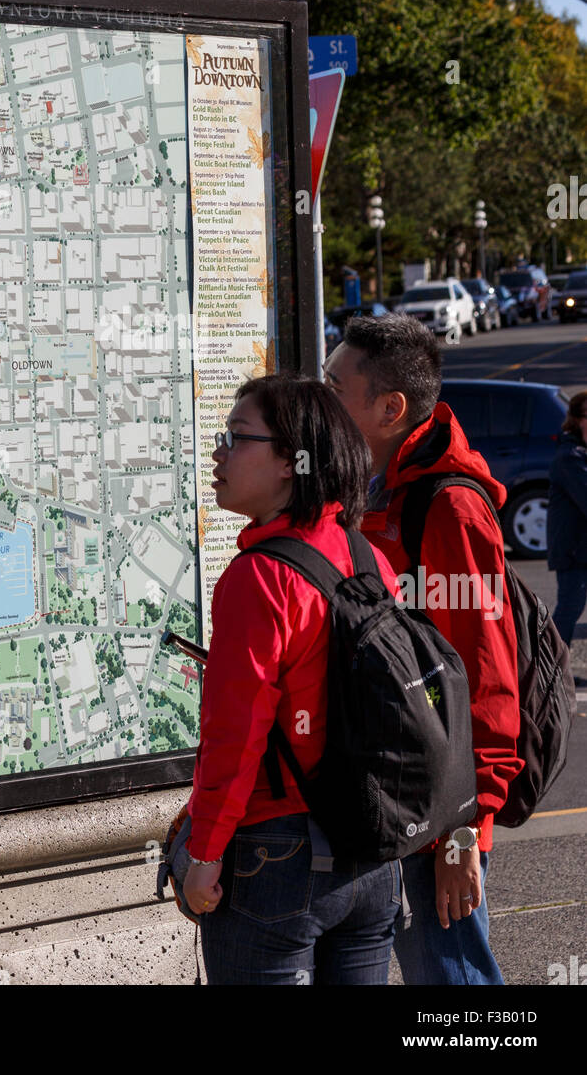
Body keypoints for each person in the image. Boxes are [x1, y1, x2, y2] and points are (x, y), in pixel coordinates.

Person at [184, 373, 403, 986]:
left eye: (236, 438)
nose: (218, 453)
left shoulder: (260, 577)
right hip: (370, 853)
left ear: (290, 462)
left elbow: (236, 732)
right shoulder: (366, 556)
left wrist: (204, 855)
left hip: (278, 855)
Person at [325, 313, 524, 986]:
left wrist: (465, 834)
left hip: (436, 811)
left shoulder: (446, 508)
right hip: (382, 791)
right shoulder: (370, 491)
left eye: (334, 387)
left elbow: (488, 677)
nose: (321, 402)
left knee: (453, 987)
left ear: (390, 408)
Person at [547, 390, 587, 683]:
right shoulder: (569, 458)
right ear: (576, 420)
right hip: (574, 550)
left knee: (571, 609)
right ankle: (551, 669)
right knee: (569, 610)